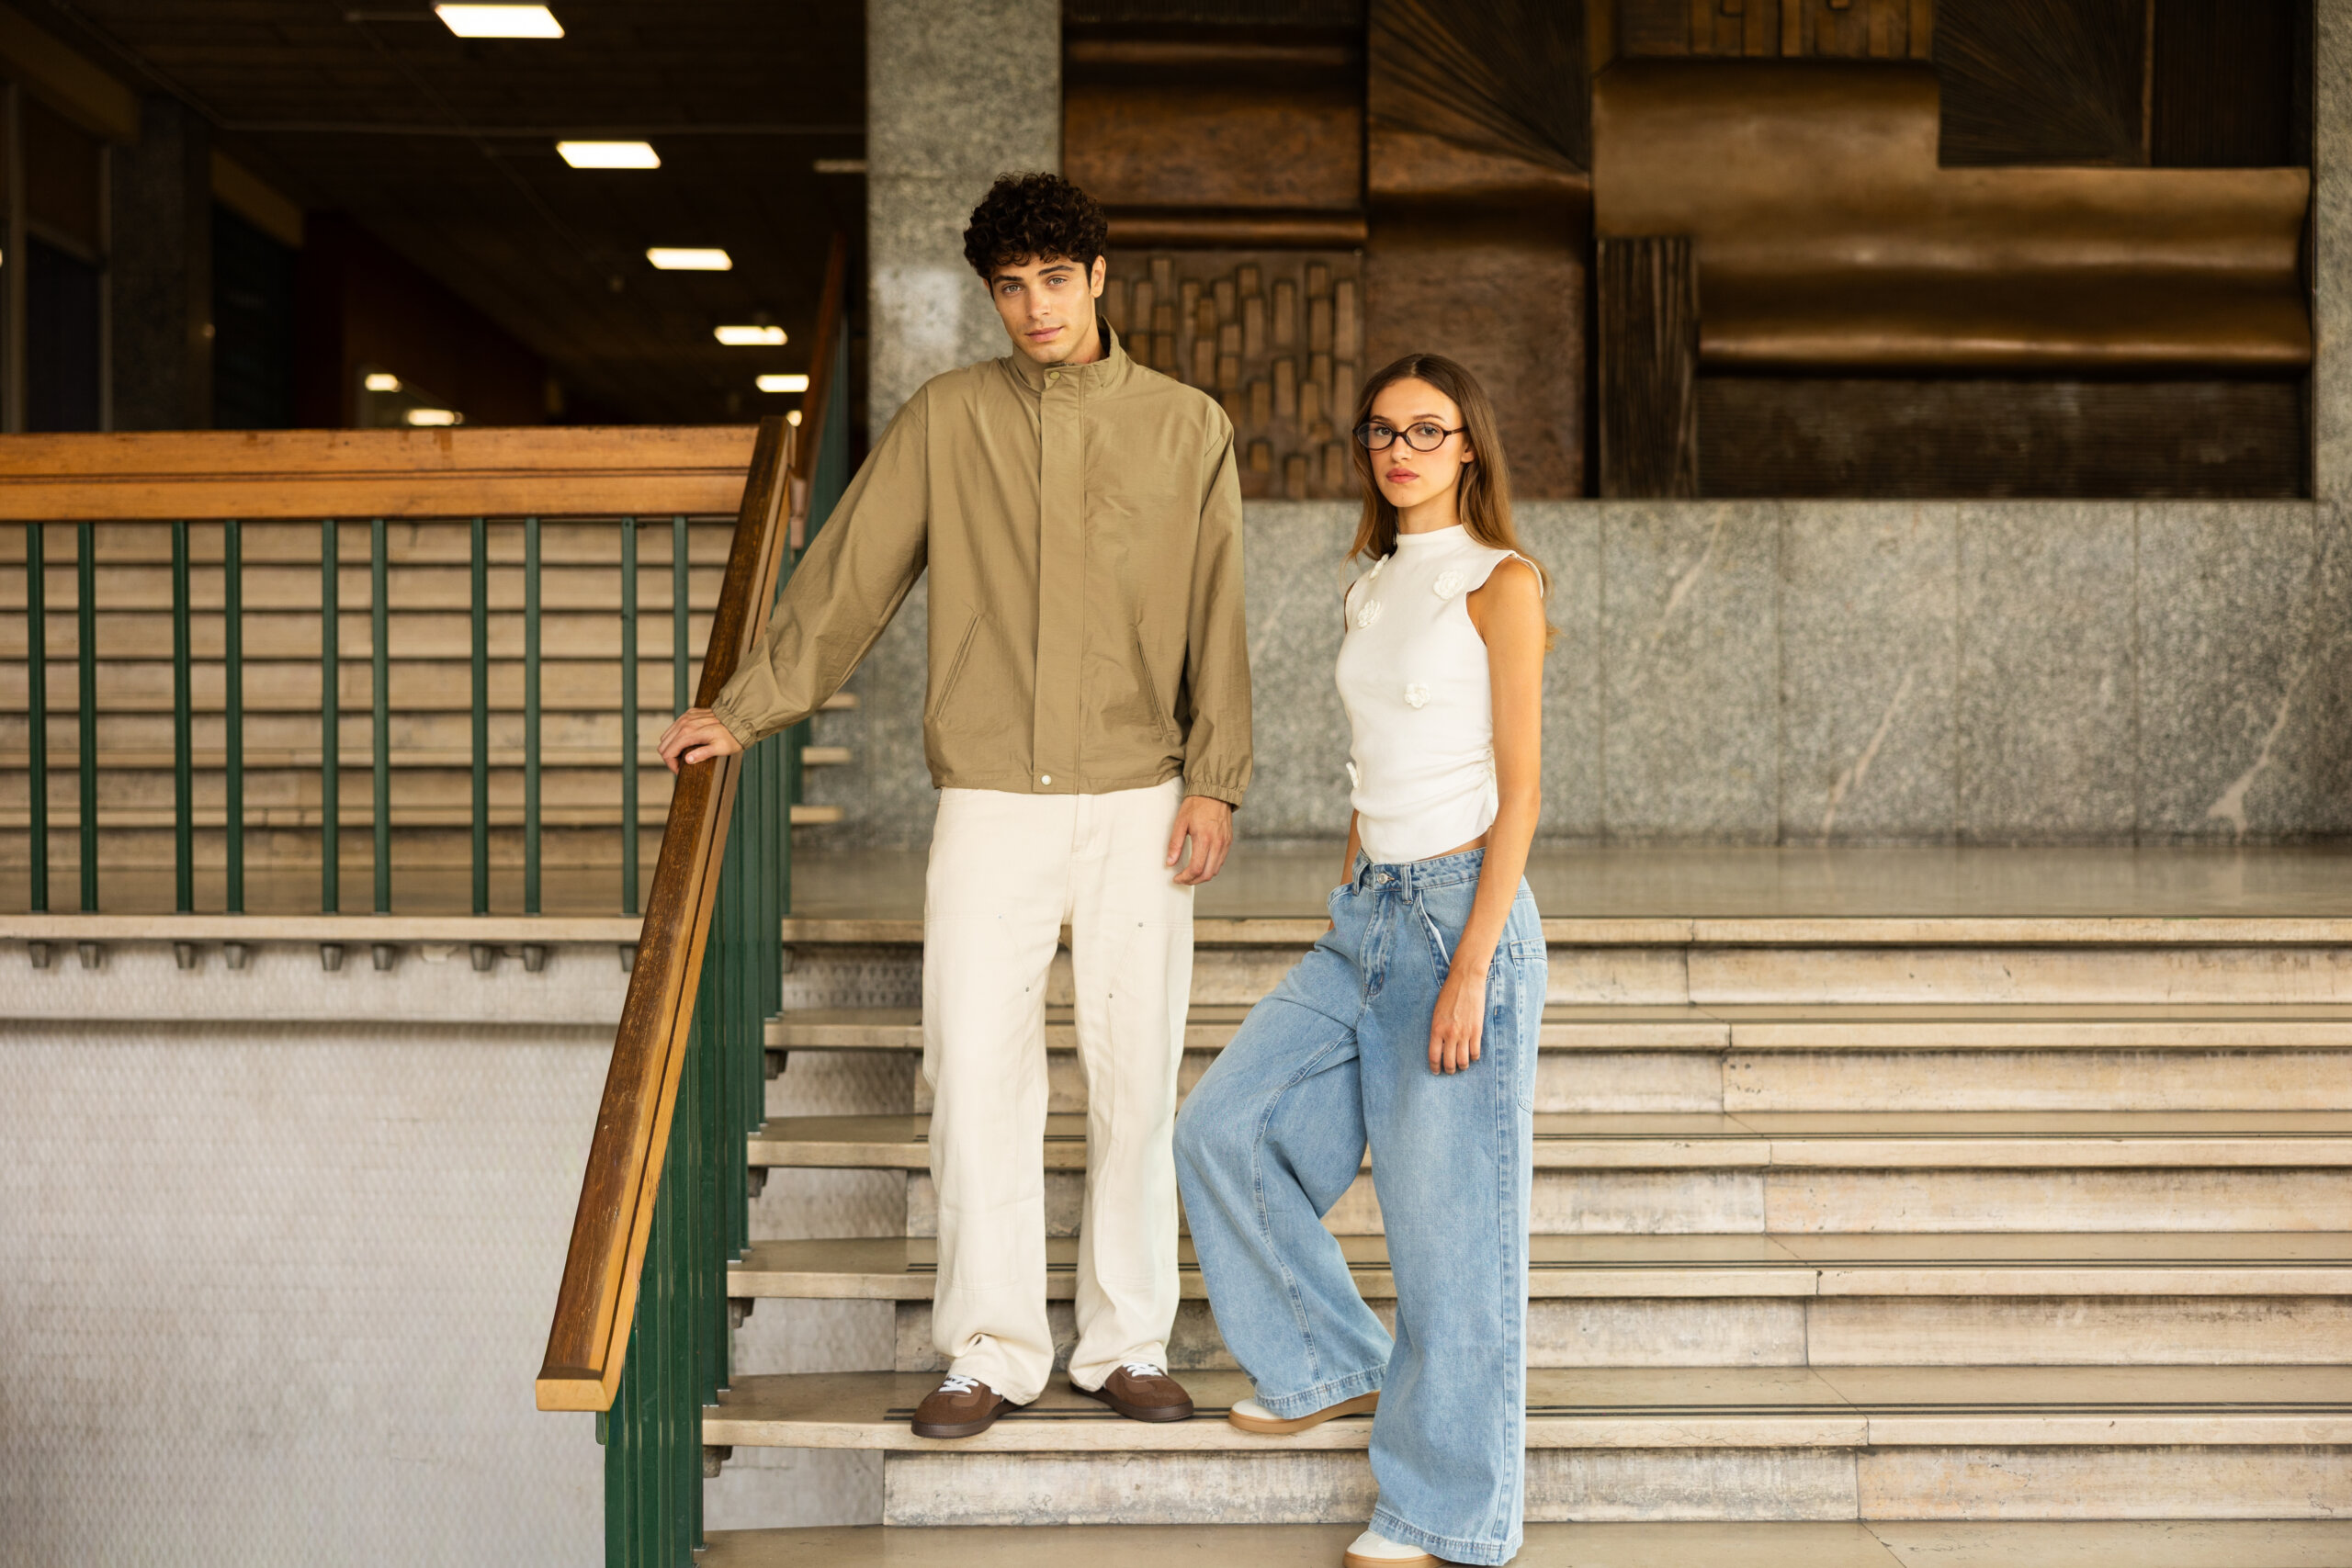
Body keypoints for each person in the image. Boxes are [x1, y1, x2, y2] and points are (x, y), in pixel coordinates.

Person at [659, 172, 1250, 1439]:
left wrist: (1217, 779)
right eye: (1008, 288)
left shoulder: (1187, 425)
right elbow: (851, 578)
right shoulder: (946, 418)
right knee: (974, 1072)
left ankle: (1126, 1343)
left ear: (1099, 278)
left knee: (1135, 1078)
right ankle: (985, 1351)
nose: (1032, 308)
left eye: (1052, 280)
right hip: (989, 801)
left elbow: (1219, 617)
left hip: (1143, 797)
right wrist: (750, 705)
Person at [1173, 354, 1548, 1568]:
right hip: (1369, 915)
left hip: (1457, 914)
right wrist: (1349, 889)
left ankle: (1445, 1512)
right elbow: (1370, 756)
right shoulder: (1370, 585)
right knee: (1220, 1126)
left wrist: (1476, 961)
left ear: (1469, 449)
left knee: (1449, 1242)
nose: (1400, 450)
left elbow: (1525, 789)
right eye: (1381, 431)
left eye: (1427, 431)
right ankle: (1327, 1359)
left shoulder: (1501, 582)